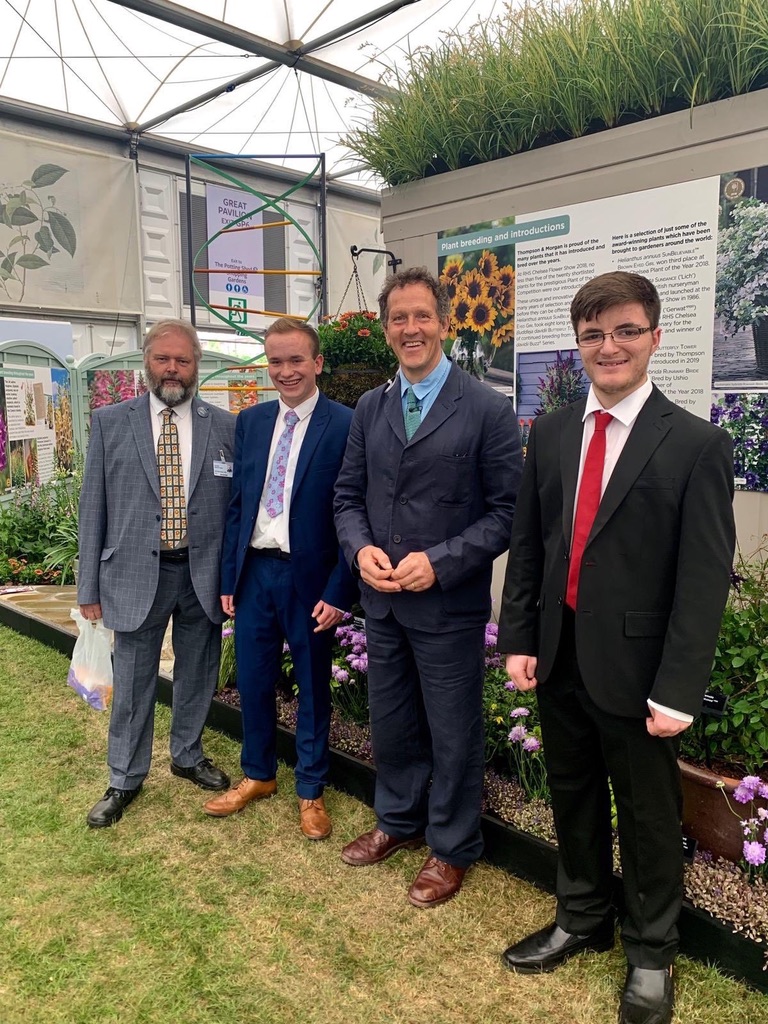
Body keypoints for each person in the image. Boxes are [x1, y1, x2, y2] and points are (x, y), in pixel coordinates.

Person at [498, 272, 735, 1024]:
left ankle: (651, 951)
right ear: (580, 344)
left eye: (626, 330)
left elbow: (703, 582)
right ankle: (581, 917)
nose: (610, 347)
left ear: (655, 338)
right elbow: (531, 543)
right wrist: (521, 639)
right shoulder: (556, 430)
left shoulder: (696, 445)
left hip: (639, 676)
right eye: (594, 334)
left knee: (648, 815)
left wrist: (677, 688)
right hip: (561, 655)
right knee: (570, 797)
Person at [334, 267, 523, 907]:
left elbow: (506, 513)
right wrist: (359, 548)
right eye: (398, 318)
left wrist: (439, 562)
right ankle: (398, 820)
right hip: (383, 602)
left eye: (421, 316)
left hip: (448, 606)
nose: (410, 328)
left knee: (452, 730)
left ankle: (451, 846)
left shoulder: (489, 410)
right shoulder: (371, 407)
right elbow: (346, 497)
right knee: (391, 723)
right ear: (386, 328)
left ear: (444, 321)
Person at [79, 318, 236, 828]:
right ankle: (124, 777)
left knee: (198, 673)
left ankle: (187, 754)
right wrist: (87, 588)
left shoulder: (226, 427)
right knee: (133, 679)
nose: (172, 368)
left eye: (183, 360)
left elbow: (234, 510)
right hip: (131, 576)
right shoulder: (109, 422)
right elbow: (92, 510)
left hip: (201, 574)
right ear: (145, 361)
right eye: (162, 358)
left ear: (197, 367)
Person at [204, 317, 357, 840]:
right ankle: (258, 774)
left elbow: (353, 513)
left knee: (313, 685)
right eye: (275, 361)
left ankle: (311, 790)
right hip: (254, 574)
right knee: (252, 679)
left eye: (296, 360)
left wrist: (340, 591)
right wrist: (230, 577)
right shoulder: (251, 422)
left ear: (317, 363)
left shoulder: (345, 424)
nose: (285, 371)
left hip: (311, 579)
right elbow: (238, 505)